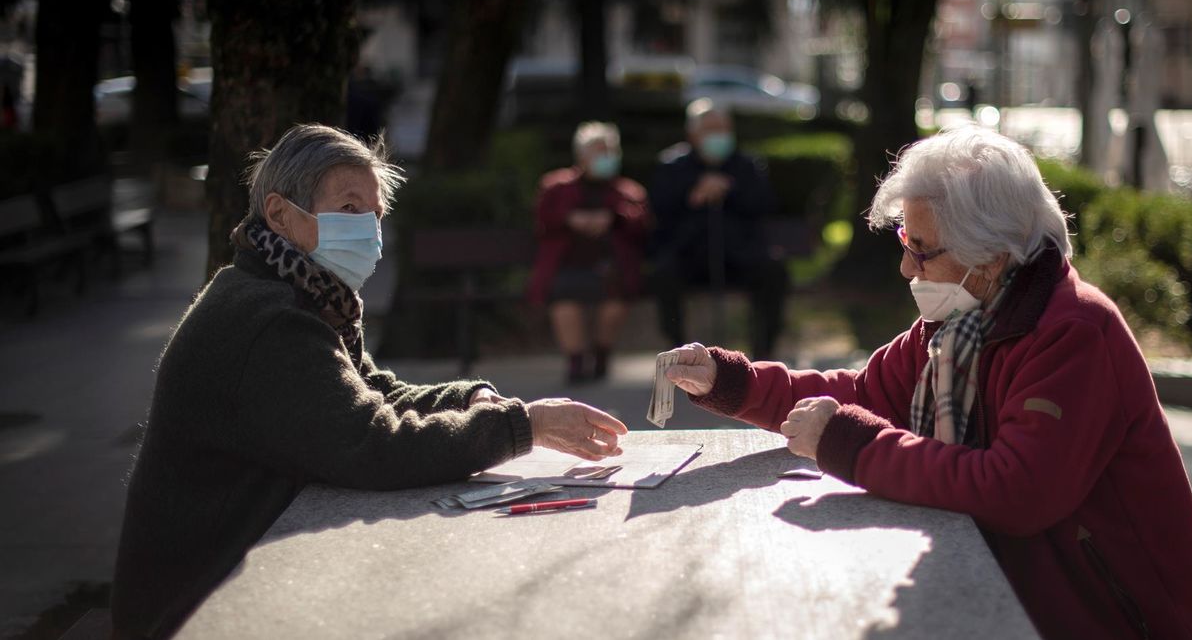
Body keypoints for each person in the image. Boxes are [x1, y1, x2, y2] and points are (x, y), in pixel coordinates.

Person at [665, 126, 1192, 639]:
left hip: (1126, 624)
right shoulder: (963, 317)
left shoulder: (1073, 333)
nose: (907, 268)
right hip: (1019, 600)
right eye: (904, 240)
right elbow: (864, 394)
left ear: (992, 255)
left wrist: (848, 444)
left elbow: (1017, 491)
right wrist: (731, 382)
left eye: (922, 250)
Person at [112, 124, 627, 638]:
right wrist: (524, 426)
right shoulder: (271, 319)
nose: (368, 229)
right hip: (195, 612)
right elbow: (371, 443)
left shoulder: (298, 291)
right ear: (280, 214)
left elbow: (375, 392)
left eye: (375, 214)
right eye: (349, 208)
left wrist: (471, 397)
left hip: (240, 577)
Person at [648, 98, 788, 360]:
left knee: (773, 271)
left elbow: (764, 203)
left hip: (739, 255)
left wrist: (730, 190)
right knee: (664, 272)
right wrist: (693, 195)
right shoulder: (672, 166)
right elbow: (660, 207)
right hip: (690, 255)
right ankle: (680, 351)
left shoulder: (747, 165)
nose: (718, 135)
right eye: (710, 129)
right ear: (692, 134)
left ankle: (763, 352)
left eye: (723, 129)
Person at [527, 122, 648, 383]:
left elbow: (641, 224)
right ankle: (576, 361)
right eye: (598, 152)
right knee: (563, 293)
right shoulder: (556, 187)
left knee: (617, 294)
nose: (606, 157)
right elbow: (542, 221)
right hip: (568, 266)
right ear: (581, 156)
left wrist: (613, 219)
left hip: (612, 267)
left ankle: (601, 354)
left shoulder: (628, 191)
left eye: (610, 151)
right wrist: (570, 220)